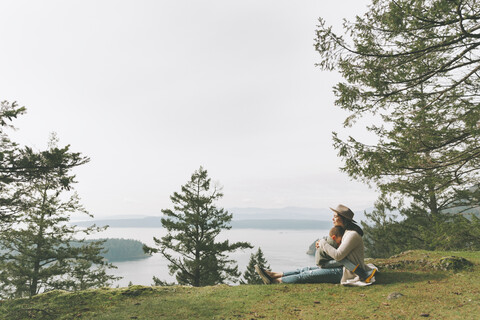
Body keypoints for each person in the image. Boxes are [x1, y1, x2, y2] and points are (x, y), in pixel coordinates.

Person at [255, 204, 376, 285]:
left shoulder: (352, 235)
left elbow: (338, 255)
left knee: (308, 275)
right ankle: (273, 274)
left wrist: (322, 243)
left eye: (335, 217)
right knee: (306, 269)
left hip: (348, 273)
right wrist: (323, 245)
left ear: (343, 219)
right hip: (342, 267)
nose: (332, 219)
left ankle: (276, 281)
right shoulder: (346, 233)